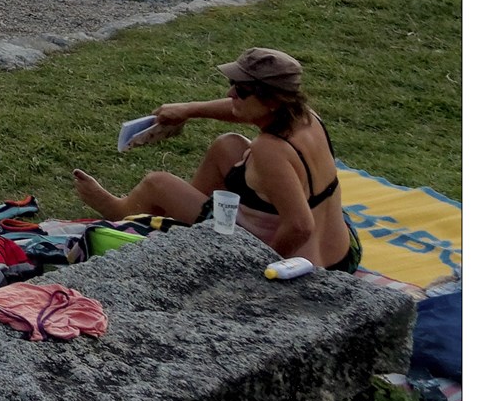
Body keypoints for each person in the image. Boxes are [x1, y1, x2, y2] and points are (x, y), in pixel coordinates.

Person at [72, 47, 357, 270]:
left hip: (303, 266)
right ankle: (188, 218)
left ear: (271, 101)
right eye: (233, 84)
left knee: (157, 183)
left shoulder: (270, 150)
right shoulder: (305, 117)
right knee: (227, 145)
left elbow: (300, 226)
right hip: (344, 252)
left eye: (241, 91)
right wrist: (189, 109)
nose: (231, 93)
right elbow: (240, 110)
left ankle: (119, 210)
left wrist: (260, 268)